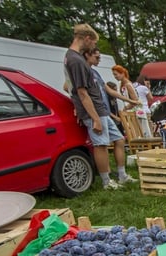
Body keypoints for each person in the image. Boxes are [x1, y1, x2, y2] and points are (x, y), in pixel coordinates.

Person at [64, 23, 136, 190]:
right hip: (94, 112)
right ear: (87, 39)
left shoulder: (76, 58)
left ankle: (122, 175)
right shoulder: (75, 60)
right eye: (94, 43)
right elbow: (80, 92)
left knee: (119, 140)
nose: (94, 46)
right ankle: (106, 182)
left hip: (100, 109)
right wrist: (95, 118)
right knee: (101, 145)